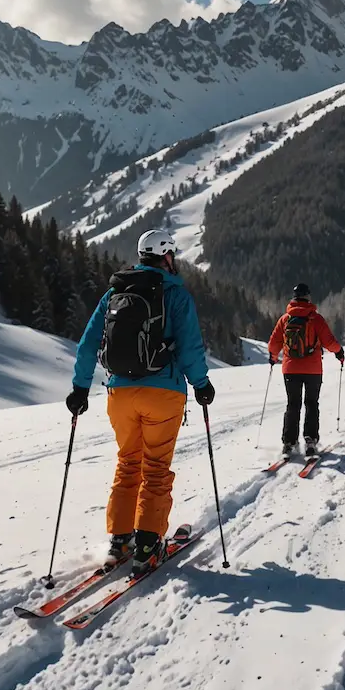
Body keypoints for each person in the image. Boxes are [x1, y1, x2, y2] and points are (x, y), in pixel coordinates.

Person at [66, 230, 215, 577]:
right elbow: (191, 348)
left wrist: (79, 388)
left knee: (128, 463)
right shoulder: (175, 294)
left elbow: (88, 345)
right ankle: (148, 546)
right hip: (163, 393)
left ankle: (120, 540)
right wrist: (202, 384)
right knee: (156, 469)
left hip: (119, 394)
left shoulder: (114, 293)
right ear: (166, 256)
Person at [268, 282, 344, 457]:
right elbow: (329, 341)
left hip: (290, 369)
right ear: (308, 297)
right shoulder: (315, 319)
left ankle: (289, 443)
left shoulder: (285, 319)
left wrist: (273, 358)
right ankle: (310, 440)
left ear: (293, 298)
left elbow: (273, 344)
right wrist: (339, 352)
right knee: (311, 404)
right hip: (313, 370)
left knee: (292, 405)